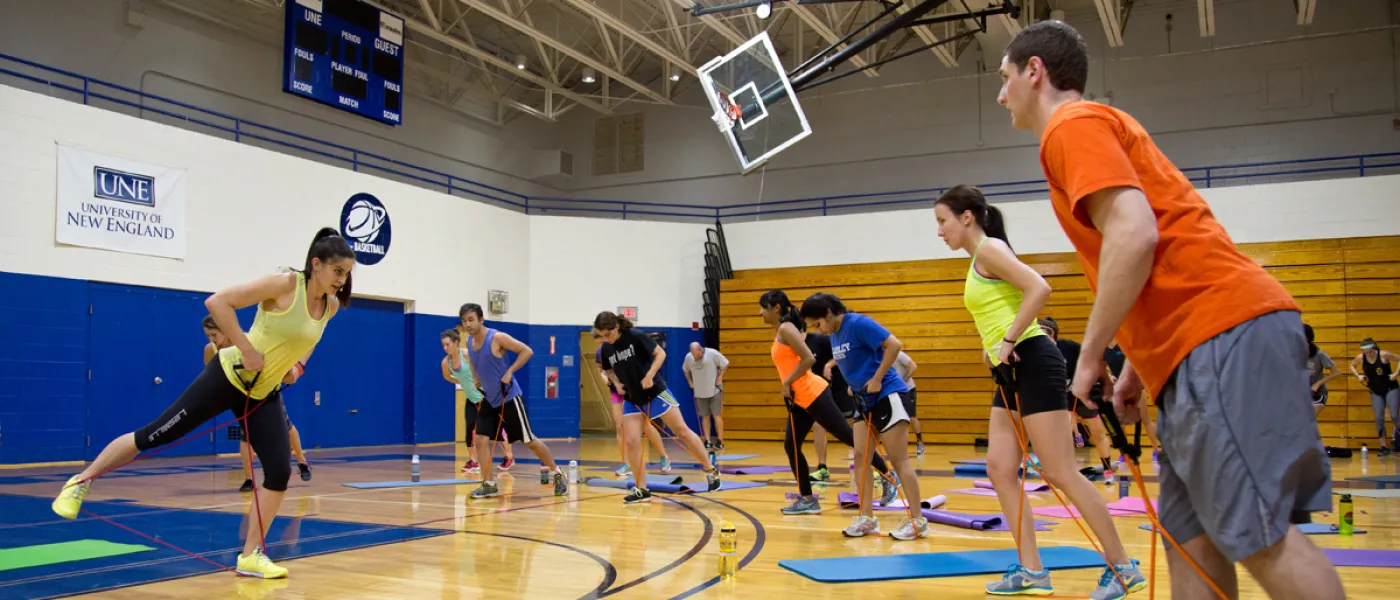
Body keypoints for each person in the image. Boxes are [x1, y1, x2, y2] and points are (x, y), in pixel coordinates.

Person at [999, 20, 1343, 599]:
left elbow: (1134, 236)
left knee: (1260, 537)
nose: (1002, 94)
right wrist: (1135, 367)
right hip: (1193, 351)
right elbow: (1153, 258)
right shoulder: (1096, 128)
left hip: (1219, 332)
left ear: (1035, 71)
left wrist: (1089, 359)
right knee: (1191, 543)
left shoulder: (1071, 125)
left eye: (1005, 78)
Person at [53, 228, 355, 579]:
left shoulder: (330, 306)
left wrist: (297, 366)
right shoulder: (286, 285)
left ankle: (251, 554)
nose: (342, 280)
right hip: (226, 378)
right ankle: (79, 483)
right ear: (316, 265)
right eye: (337, 272)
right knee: (154, 436)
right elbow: (217, 302)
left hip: (263, 393)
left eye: (347, 274)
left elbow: (308, 341)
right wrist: (245, 347)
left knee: (279, 471)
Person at [934, 185, 1143, 597]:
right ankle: (1031, 570)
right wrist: (993, 349)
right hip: (1009, 372)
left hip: (1033, 360)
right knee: (998, 468)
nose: (939, 231)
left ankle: (1123, 566)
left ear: (966, 217)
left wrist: (1009, 340)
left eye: (942, 221)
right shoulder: (980, 258)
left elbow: (1040, 289)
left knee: (1061, 471)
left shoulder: (990, 249)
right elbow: (1000, 311)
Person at [798, 293, 928, 540]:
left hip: (887, 395)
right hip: (862, 400)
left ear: (828, 313)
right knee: (861, 457)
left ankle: (918, 520)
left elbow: (894, 345)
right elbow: (853, 362)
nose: (820, 330)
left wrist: (877, 378)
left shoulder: (858, 323)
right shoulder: (835, 333)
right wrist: (852, 384)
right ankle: (867, 518)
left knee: (899, 460)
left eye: (818, 324)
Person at [759, 290, 898, 516]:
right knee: (791, 446)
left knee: (850, 438)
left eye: (763, 308)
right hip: (799, 398)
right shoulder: (783, 330)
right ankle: (807, 499)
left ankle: (888, 477)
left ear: (775, 308)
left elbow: (809, 359)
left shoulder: (786, 329)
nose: (760, 313)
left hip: (812, 393)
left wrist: (788, 382)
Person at [594, 311, 720, 504]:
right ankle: (641, 488)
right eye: (601, 335)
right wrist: (616, 383)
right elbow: (607, 369)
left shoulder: (635, 336)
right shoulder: (606, 349)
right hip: (632, 398)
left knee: (682, 431)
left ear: (616, 327)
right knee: (632, 441)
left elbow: (660, 354)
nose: (604, 339)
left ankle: (711, 471)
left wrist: (650, 375)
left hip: (655, 392)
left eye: (607, 335)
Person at [458, 304, 567, 499]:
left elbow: (527, 351)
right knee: (481, 440)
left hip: (509, 397)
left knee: (529, 441)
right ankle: (488, 483)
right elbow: (474, 362)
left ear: (481, 319)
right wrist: (475, 378)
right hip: (489, 400)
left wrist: (509, 371)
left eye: (471, 319)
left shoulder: (497, 337)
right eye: (465, 321)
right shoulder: (470, 343)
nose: (468, 324)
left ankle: (558, 473)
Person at [203, 316, 311, 491]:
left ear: (225, 329)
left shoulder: (250, 342)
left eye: (214, 335)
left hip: (266, 390)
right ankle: (249, 478)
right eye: (208, 336)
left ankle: (301, 461)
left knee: (286, 426)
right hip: (241, 394)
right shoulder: (211, 349)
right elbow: (211, 372)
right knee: (245, 435)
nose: (212, 340)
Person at [1039, 317, 1117, 484]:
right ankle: (1068, 471)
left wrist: (1106, 376)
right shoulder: (1039, 354)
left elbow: (1094, 359)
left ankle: (1108, 469)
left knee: (1098, 434)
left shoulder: (1069, 347)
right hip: (1064, 398)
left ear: (1052, 334)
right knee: (1065, 431)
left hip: (1084, 394)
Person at [439, 329, 515, 474]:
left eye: (448, 344)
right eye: (443, 345)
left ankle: (509, 457)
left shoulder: (467, 355)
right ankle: (473, 461)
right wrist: (461, 381)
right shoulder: (445, 362)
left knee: (496, 430)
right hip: (471, 399)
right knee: (469, 429)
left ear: (456, 343)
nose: (445, 348)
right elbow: (447, 376)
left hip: (485, 397)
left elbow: (485, 368)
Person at [595, 345, 673, 476]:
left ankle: (663, 457)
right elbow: (601, 369)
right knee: (619, 426)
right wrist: (608, 380)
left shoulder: (627, 347)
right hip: (616, 392)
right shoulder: (601, 352)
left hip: (632, 391)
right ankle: (626, 463)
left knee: (645, 426)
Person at [807, 332, 857, 483]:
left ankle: (869, 464)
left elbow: (845, 354)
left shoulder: (826, 340)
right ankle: (822, 467)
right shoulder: (803, 342)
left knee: (852, 426)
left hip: (841, 385)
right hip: (821, 388)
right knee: (818, 425)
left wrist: (829, 364)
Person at [1349, 337, 1399, 456]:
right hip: (1375, 390)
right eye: (1364, 351)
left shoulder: (1384, 354)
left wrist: (1396, 374)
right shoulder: (1361, 357)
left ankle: (1398, 436)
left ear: (1373, 347)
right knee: (1379, 418)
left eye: (1368, 350)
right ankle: (1383, 446)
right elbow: (1352, 365)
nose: (1367, 353)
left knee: (1394, 415)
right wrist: (1358, 376)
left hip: (1390, 388)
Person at [683, 342, 729, 449]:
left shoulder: (712, 353)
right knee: (705, 416)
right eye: (694, 355)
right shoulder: (689, 358)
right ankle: (707, 440)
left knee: (717, 415)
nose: (696, 357)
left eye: (697, 355)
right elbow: (685, 369)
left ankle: (720, 441)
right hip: (700, 392)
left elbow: (725, 363)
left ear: (700, 349)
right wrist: (690, 381)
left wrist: (720, 377)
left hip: (714, 390)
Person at [1302, 325, 1342, 427]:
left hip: (1318, 393)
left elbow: (1336, 372)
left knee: (1307, 421)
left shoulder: (1319, 354)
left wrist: (1318, 383)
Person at [892, 350, 925, 455]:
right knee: (897, 419)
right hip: (895, 391)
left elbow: (913, 366)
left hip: (908, 389)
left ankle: (920, 442)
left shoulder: (898, 354)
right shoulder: (879, 356)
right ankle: (897, 445)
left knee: (911, 417)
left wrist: (905, 379)